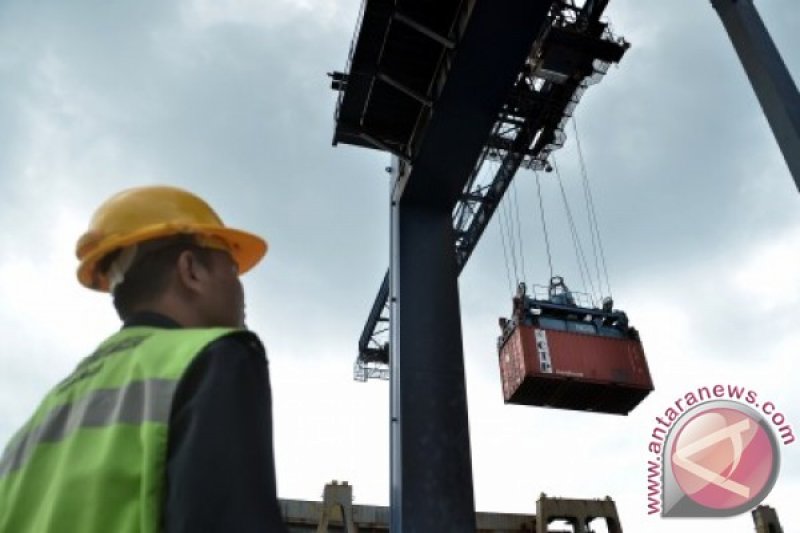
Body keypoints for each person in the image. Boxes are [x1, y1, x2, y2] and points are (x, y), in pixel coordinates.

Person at [0, 185, 288, 532]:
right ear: (191, 270)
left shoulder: (35, 427)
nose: (240, 288)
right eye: (231, 267)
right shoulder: (214, 358)